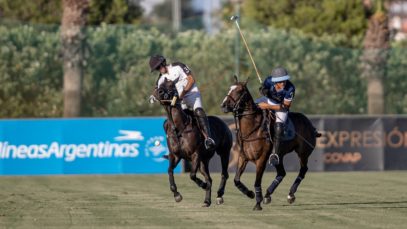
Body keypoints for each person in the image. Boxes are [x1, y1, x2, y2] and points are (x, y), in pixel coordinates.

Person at [149, 54, 215, 150]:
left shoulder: (178, 67)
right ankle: (176, 147)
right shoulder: (161, 79)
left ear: (163, 63)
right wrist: (153, 97)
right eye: (157, 69)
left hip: (191, 94)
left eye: (159, 66)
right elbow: (157, 91)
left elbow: (191, 80)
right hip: (179, 102)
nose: (159, 69)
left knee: (199, 111)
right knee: (174, 120)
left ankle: (208, 139)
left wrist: (183, 93)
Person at [257, 67, 295, 166]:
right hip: (268, 100)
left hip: (280, 108)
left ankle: (275, 154)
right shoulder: (268, 81)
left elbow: (285, 106)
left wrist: (267, 106)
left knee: (279, 127)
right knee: (249, 108)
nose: (283, 83)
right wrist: (263, 90)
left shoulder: (290, 88)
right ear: (275, 81)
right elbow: (262, 90)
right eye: (280, 81)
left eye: (284, 80)